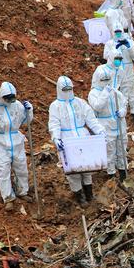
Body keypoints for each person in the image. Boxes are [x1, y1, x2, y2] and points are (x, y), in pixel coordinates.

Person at [47, 76, 106, 206]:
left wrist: (100, 131)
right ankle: (79, 196)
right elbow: (54, 124)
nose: (68, 92)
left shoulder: (80, 103)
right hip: (67, 140)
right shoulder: (55, 106)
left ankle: (89, 193)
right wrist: (56, 138)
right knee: (73, 170)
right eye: (65, 89)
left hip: (83, 138)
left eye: (70, 89)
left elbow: (91, 119)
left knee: (86, 167)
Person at [0, 81, 33, 211]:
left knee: (21, 167)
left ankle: (22, 191)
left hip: (16, 140)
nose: (10, 101)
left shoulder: (17, 106)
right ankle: (8, 198)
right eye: (7, 98)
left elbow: (26, 121)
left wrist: (29, 111)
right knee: (3, 170)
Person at [87, 64, 128, 180]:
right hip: (105, 125)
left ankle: (123, 173)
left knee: (121, 148)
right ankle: (111, 175)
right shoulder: (93, 93)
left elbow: (124, 101)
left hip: (119, 124)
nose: (106, 82)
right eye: (103, 80)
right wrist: (105, 93)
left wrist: (123, 111)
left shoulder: (114, 91)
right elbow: (97, 107)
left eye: (107, 80)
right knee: (109, 151)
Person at [103, 25, 134, 118]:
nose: (118, 34)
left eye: (120, 32)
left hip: (128, 70)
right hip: (115, 71)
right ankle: (121, 112)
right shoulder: (109, 43)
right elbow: (105, 56)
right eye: (116, 32)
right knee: (117, 92)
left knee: (131, 91)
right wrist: (115, 49)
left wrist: (129, 47)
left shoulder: (130, 42)